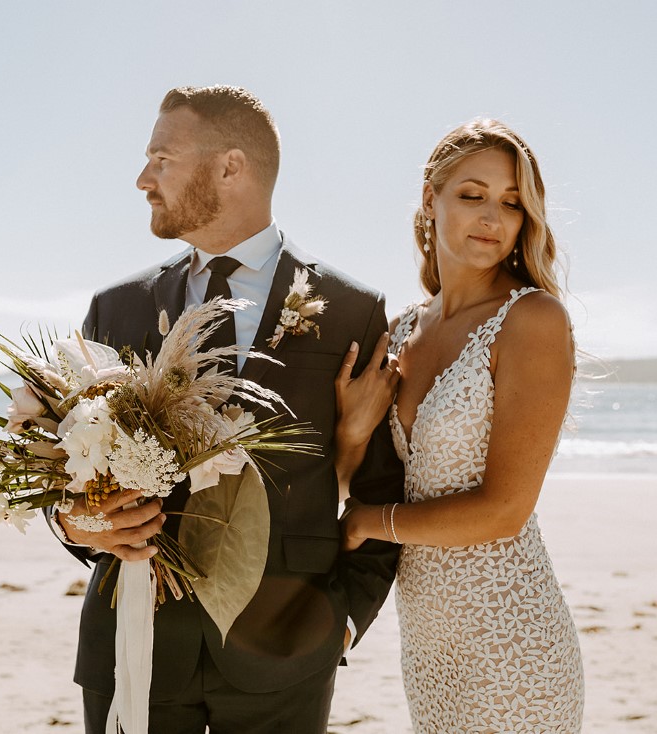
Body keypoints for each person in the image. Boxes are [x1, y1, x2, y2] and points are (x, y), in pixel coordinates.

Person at [47, 85, 405, 734]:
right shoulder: (114, 310)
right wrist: (76, 525)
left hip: (287, 656)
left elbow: (383, 485)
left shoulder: (354, 311)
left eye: (162, 159)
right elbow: (59, 470)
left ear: (229, 167)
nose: (142, 179)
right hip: (134, 647)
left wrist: (345, 621)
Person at [334, 118, 585, 732]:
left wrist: (375, 522)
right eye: (472, 195)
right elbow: (346, 477)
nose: (492, 219)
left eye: (512, 203)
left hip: (513, 643)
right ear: (430, 199)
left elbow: (505, 509)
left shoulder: (533, 320)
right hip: (428, 647)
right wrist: (349, 434)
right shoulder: (396, 334)